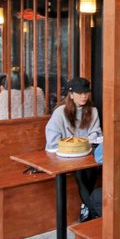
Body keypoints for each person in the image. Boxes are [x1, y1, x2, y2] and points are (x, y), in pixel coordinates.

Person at [45, 77, 102, 220]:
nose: (84, 96)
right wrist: (72, 147)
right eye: (80, 93)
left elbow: (96, 133)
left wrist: (83, 145)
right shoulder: (60, 112)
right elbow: (52, 138)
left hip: (87, 153)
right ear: (71, 94)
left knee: (91, 168)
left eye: (86, 93)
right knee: (80, 172)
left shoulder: (93, 111)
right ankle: (94, 211)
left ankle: (88, 209)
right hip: (65, 155)